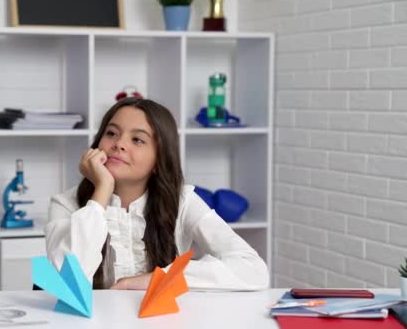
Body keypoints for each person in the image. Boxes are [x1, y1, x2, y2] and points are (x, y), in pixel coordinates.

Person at [44, 97, 269, 290]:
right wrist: (102, 188)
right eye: (111, 133)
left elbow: (253, 270)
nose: (119, 144)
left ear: (158, 160)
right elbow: (70, 281)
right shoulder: (65, 204)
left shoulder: (182, 201)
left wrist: (156, 280)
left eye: (137, 139)